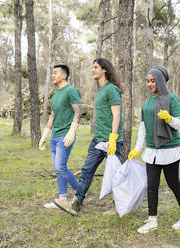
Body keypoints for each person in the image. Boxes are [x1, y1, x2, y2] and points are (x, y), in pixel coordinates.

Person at [128, 66, 180, 234]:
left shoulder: (171, 99)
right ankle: (152, 219)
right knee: (152, 185)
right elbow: (142, 128)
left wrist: (169, 118)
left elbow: (179, 123)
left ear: (161, 81)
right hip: (152, 151)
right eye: (148, 81)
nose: (149, 84)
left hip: (170, 150)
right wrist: (137, 148)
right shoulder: (147, 102)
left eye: (153, 81)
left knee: (173, 183)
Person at [60, 58, 123, 216]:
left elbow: (116, 115)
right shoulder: (101, 90)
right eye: (92, 67)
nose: (93, 70)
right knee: (87, 170)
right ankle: (77, 204)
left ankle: (118, 206)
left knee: (115, 175)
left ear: (105, 70)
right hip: (98, 140)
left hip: (111, 141)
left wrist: (113, 139)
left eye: (96, 67)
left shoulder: (111, 89)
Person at [39, 64, 82, 210]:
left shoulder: (71, 91)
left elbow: (78, 112)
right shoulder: (56, 95)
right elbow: (52, 115)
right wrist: (45, 134)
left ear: (64, 75)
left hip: (65, 135)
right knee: (57, 169)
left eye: (55, 73)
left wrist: (72, 131)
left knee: (60, 167)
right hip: (55, 136)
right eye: (52, 73)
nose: (52, 75)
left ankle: (80, 192)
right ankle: (62, 198)